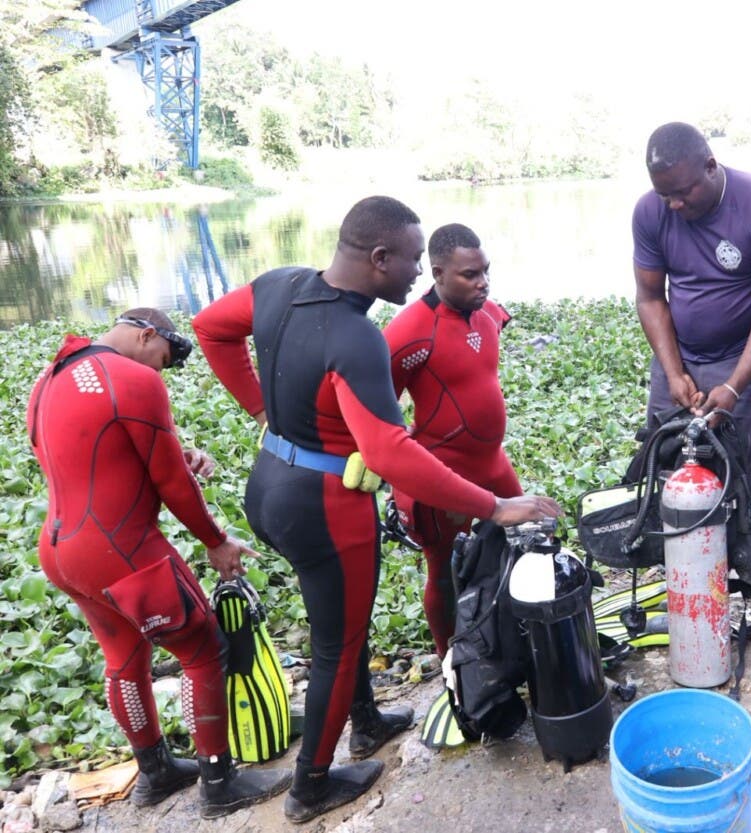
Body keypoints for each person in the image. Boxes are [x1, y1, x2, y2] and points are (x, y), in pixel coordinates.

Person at [192, 197, 561, 823]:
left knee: (342, 620)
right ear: (380, 258)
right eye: (415, 261)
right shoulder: (359, 336)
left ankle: (365, 720)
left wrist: (262, 412)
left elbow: (210, 327)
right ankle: (311, 787)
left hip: (271, 483)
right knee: (340, 640)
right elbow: (392, 451)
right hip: (324, 505)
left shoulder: (280, 284)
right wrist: (494, 506)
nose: (419, 274)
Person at [26, 310, 292, 819]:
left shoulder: (49, 377)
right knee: (202, 647)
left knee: (125, 658)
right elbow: (171, 483)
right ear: (147, 336)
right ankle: (220, 782)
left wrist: (174, 450)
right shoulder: (134, 377)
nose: (162, 373)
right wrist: (216, 541)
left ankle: (155, 772)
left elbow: (82, 458)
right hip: (120, 548)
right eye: (165, 360)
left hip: (62, 550)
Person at [632, 121, 751, 655]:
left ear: (711, 165)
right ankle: (688, 589)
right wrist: (674, 369)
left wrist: (733, 385)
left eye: (684, 192)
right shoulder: (650, 210)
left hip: (741, 361)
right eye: (665, 195)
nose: (675, 205)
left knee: (747, 483)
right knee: (669, 472)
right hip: (678, 361)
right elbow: (650, 297)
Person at [382, 223, 523, 658]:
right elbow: (377, 415)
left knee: (527, 538)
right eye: (469, 275)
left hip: (493, 463)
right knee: (444, 569)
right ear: (438, 273)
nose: (482, 283)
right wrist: (401, 481)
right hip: (445, 473)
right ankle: (451, 663)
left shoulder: (491, 313)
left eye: (485, 271)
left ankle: (518, 635)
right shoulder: (408, 333)